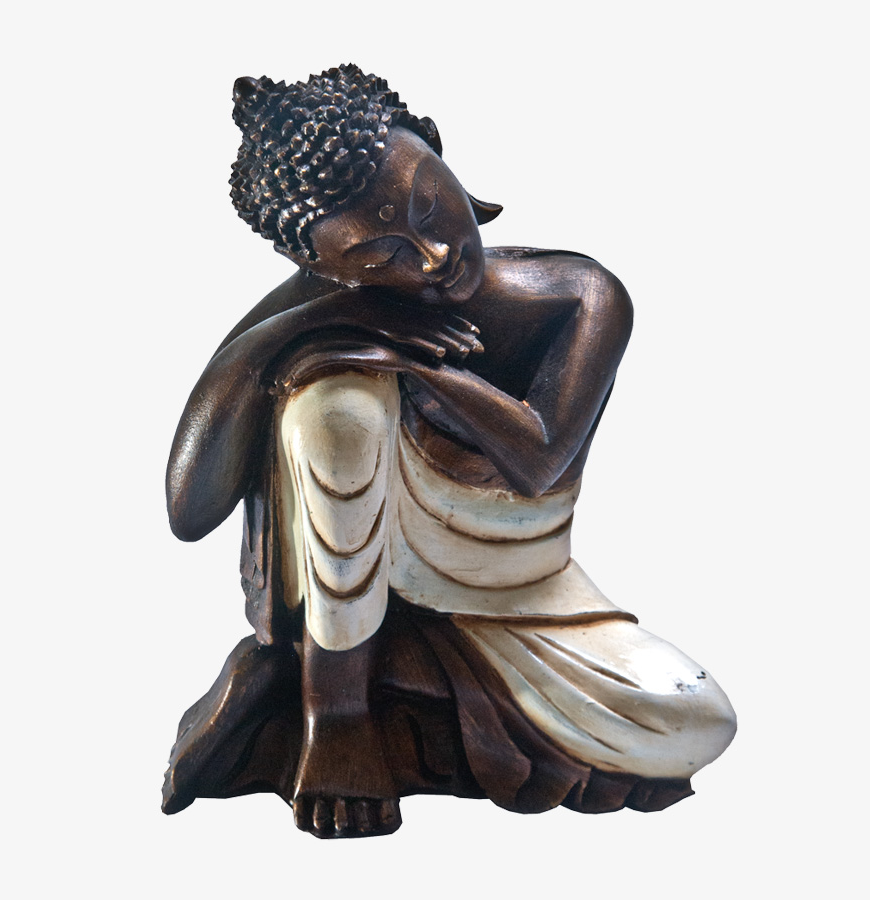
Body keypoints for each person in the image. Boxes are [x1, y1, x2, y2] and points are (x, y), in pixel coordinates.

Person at [162, 65, 736, 838]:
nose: (432, 255)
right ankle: (337, 711)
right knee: (335, 405)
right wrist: (314, 325)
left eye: (428, 205)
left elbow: (537, 461)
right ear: (322, 266)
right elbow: (189, 510)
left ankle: (389, 678)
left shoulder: (578, 294)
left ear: (433, 144)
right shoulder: (323, 306)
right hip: (343, 608)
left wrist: (423, 366)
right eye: (380, 255)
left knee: (695, 720)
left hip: (525, 597)